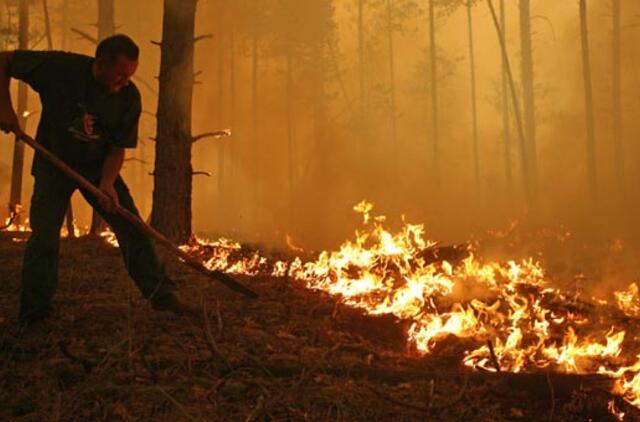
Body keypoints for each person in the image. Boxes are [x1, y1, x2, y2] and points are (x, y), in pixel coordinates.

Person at [0, 34, 194, 324]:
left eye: (130, 75)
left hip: (98, 166)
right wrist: (4, 107)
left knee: (132, 226)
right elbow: (4, 60)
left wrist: (106, 184)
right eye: (119, 74)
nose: (124, 82)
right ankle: (34, 313)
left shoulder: (129, 97)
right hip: (54, 164)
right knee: (45, 239)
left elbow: (117, 148)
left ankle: (162, 296)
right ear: (100, 63)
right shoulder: (60, 68)